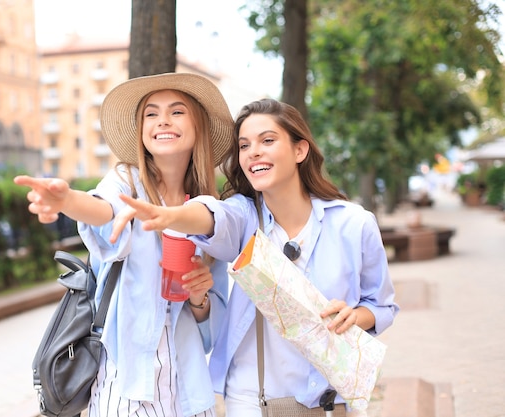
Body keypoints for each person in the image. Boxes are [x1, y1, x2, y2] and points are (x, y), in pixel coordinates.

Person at [114, 98, 400, 416]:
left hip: (328, 401)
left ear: (299, 150)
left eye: (267, 140)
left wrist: (356, 317)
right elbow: (211, 215)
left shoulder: (353, 223)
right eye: (245, 145)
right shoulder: (245, 220)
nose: (254, 152)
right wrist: (171, 215)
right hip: (251, 399)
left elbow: (382, 305)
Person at [14, 73, 234, 417]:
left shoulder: (207, 209)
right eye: (151, 113)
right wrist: (67, 199)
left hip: (189, 388)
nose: (162, 120)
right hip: (128, 380)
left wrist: (199, 296)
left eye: (177, 112)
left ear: (198, 126)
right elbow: (102, 210)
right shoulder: (125, 180)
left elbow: (212, 329)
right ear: (141, 129)